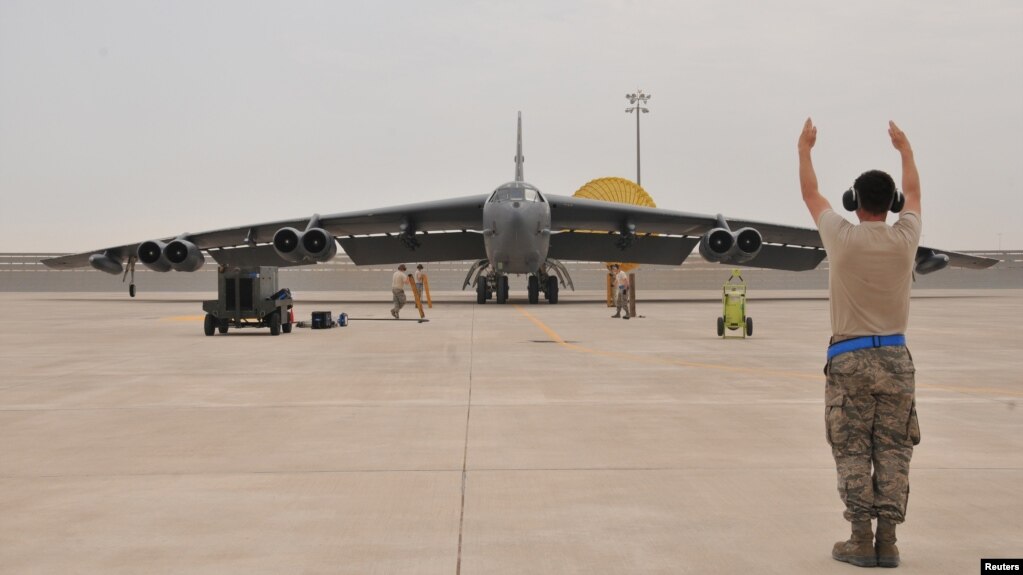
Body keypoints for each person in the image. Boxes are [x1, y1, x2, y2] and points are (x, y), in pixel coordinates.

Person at [798, 118, 922, 568]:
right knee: (893, 449)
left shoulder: (842, 238)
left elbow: (811, 195)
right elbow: (916, 193)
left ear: (855, 203)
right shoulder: (906, 238)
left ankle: (858, 540)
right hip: (895, 358)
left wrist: (805, 150)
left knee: (852, 448)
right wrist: (905, 150)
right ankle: (887, 542)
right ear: (892, 204)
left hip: (848, 358)